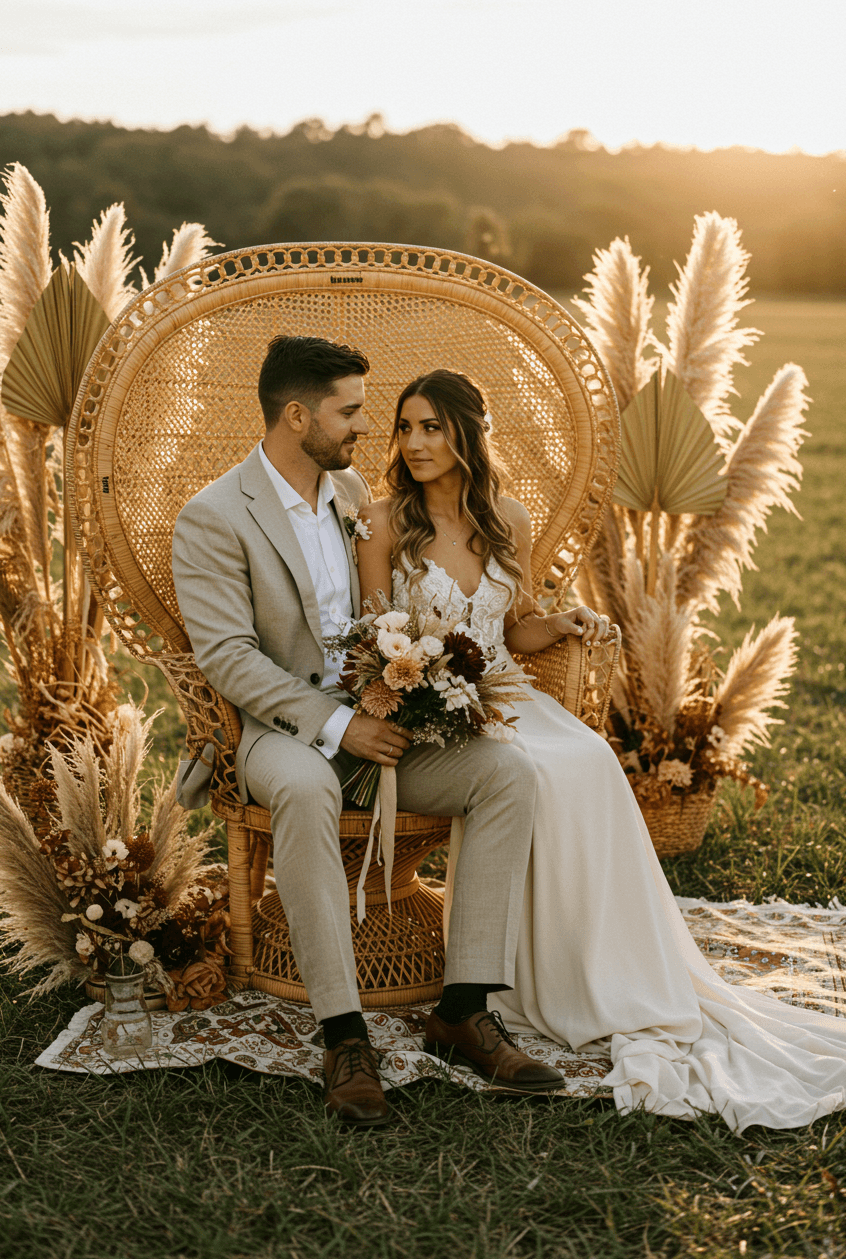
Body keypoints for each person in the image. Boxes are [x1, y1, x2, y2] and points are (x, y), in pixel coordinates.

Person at [356, 367, 846, 1134]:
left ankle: (599, 966)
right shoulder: (384, 521)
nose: (415, 443)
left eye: (432, 427)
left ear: (466, 435)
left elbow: (511, 624)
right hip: (429, 711)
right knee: (532, 772)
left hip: (509, 694)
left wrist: (558, 625)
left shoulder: (505, 519)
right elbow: (372, 636)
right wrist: (420, 688)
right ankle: (488, 997)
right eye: (405, 427)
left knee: (585, 760)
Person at [172, 335, 565, 1129]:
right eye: (349, 411)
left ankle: (461, 1010)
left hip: (389, 722)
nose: (365, 429)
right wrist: (338, 723)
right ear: (296, 414)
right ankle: (344, 1037)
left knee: (507, 775)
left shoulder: (355, 495)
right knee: (309, 786)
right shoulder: (212, 517)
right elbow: (226, 657)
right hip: (282, 730)